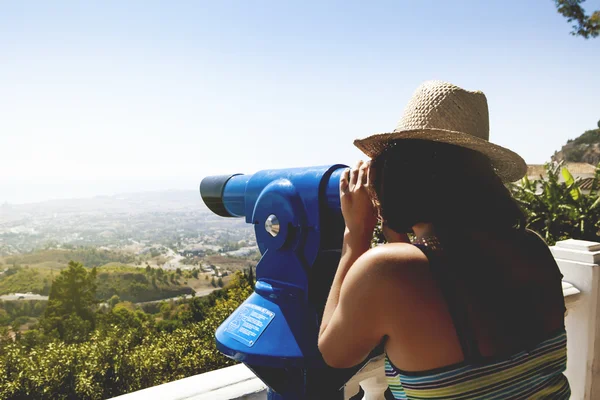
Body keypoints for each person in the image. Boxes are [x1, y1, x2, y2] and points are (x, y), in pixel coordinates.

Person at [317, 81, 570, 399]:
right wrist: (395, 233)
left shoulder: (385, 271)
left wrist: (356, 236)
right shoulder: (532, 248)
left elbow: (334, 354)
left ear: (396, 174)